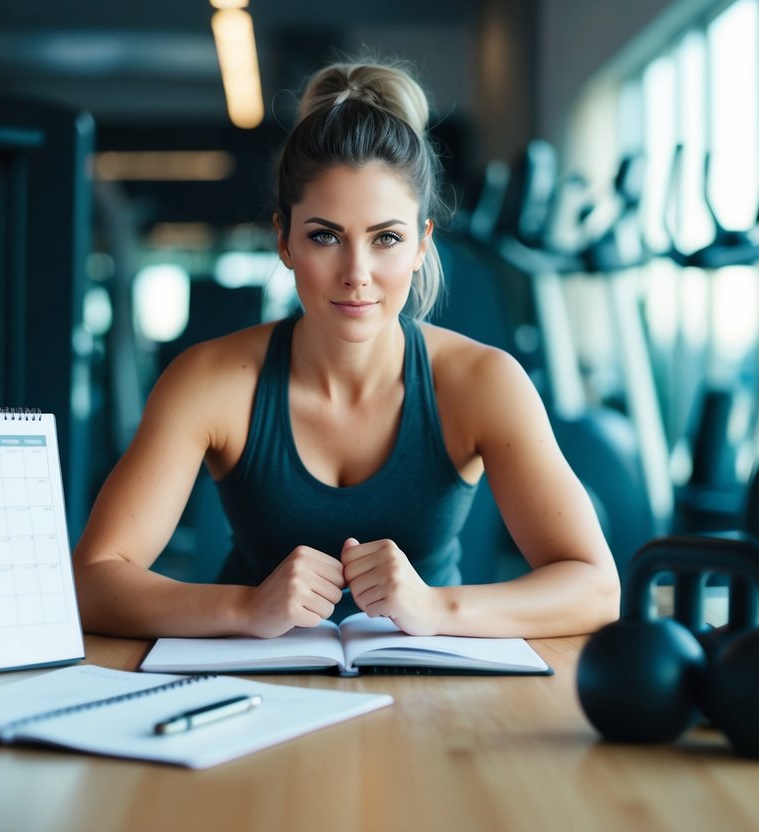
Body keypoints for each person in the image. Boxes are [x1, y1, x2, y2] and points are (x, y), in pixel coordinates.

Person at [73, 59, 620, 640]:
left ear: (421, 243)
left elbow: (596, 586)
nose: (357, 273)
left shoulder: (482, 381)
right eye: (325, 236)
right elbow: (93, 580)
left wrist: (438, 610)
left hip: (432, 688)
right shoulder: (210, 380)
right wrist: (247, 609)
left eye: (386, 238)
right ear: (284, 240)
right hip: (254, 690)